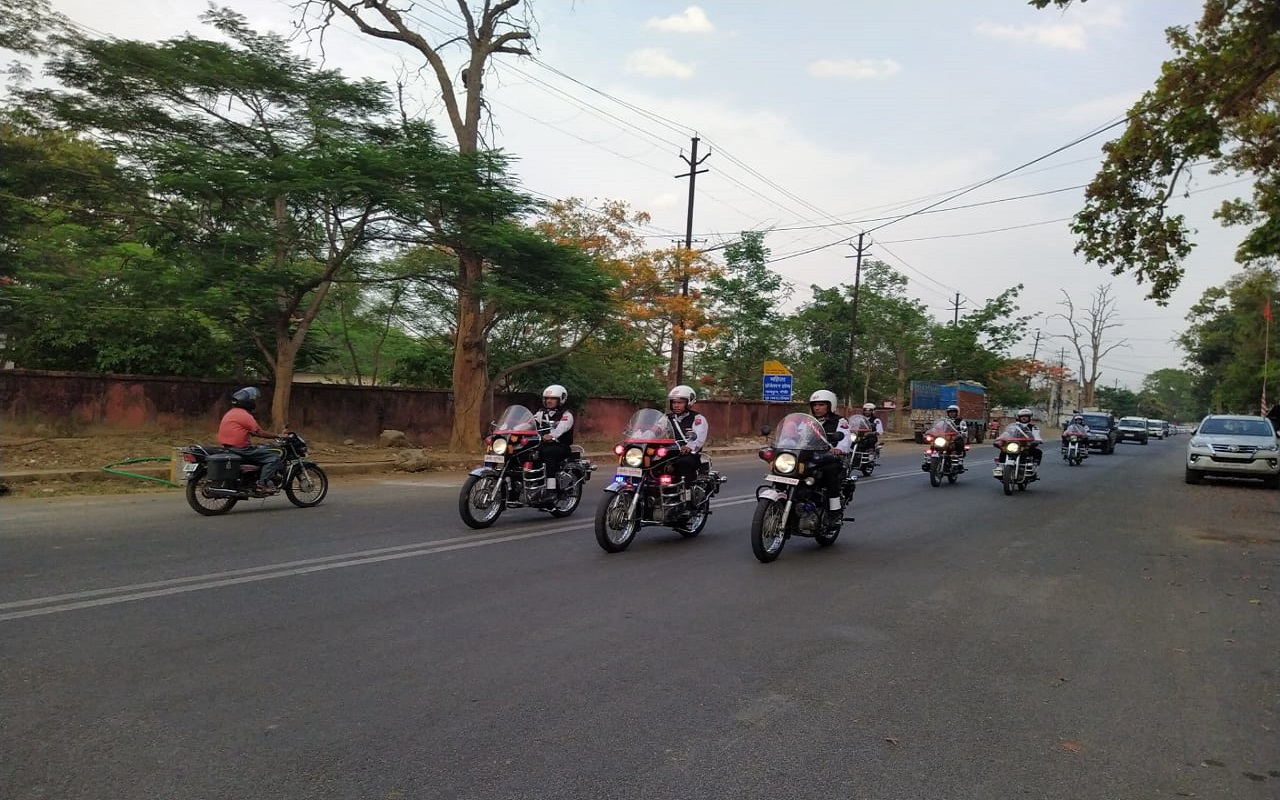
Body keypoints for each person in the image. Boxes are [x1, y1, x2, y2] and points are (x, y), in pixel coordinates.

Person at [217, 386, 283, 494]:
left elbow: (243, 429)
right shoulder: (245, 415)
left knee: (260, 450)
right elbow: (260, 432)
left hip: (229, 447)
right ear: (247, 402)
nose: (254, 402)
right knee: (273, 457)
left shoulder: (230, 413)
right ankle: (262, 484)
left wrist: (253, 434)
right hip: (242, 449)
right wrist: (278, 436)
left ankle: (254, 478)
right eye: (253, 400)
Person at [809, 389, 852, 517]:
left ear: (830, 405)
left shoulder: (840, 421)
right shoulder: (808, 421)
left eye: (821, 404)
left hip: (830, 458)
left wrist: (839, 448)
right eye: (815, 405)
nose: (817, 408)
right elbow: (797, 435)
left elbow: (845, 437)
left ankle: (834, 511)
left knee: (830, 472)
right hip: (810, 457)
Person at [665, 384, 709, 499]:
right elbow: (654, 430)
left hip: (688, 454)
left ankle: (687, 495)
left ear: (689, 403)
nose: (676, 405)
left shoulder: (697, 419)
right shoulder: (666, 418)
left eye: (680, 402)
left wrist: (689, 446)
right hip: (669, 453)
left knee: (684, 462)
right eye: (674, 402)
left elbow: (699, 437)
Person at [532, 384, 574, 492]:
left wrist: (552, 435)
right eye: (547, 398)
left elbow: (562, 428)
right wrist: (513, 428)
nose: (549, 401)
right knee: (526, 452)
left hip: (561, 446)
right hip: (543, 444)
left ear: (561, 399)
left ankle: (551, 489)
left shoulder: (566, 415)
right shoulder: (541, 413)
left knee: (549, 453)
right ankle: (533, 481)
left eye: (553, 399)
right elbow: (529, 422)